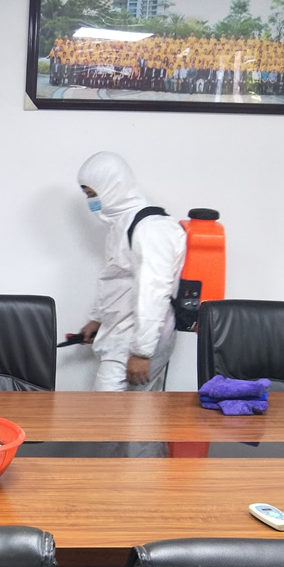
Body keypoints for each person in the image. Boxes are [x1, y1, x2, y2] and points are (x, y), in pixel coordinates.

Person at [76, 151, 187, 391]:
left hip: (135, 339)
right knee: (135, 409)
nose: (92, 202)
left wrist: (142, 352)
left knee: (106, 411)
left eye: (93, 195)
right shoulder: (120, 224)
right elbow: (114, 278)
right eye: (88, 195)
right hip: (121, 333)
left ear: (113, 186)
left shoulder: (151, 228)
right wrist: (98, 318)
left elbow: (154, 291)